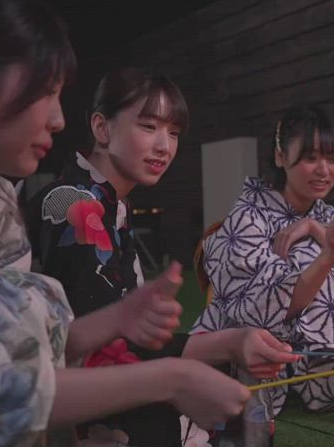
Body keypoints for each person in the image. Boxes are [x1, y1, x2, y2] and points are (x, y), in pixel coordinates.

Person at [0, 0, 251, 446]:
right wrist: (172, 376)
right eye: (45, 92)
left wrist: (116, 320)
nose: (57, 118)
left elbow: (31, 339)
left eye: (173, 133)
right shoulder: (72, 203)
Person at [21, 66, 299, 445]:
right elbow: (108, 344)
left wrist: (234, 342)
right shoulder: (77, 204)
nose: (164, 146)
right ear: (102, 128)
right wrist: (227, 344)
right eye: (148, 127)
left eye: (173, 133)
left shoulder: (107, 202)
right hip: (58, 397)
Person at [192, 104, 334, 437]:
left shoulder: (326, 213)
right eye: (310, 157)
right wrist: (326, 253)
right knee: (316, 256)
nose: (324, 170)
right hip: (258, 337)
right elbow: (269, 308)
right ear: (281, 157)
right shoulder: (248, 216)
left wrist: (316, 228)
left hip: (315, 338)